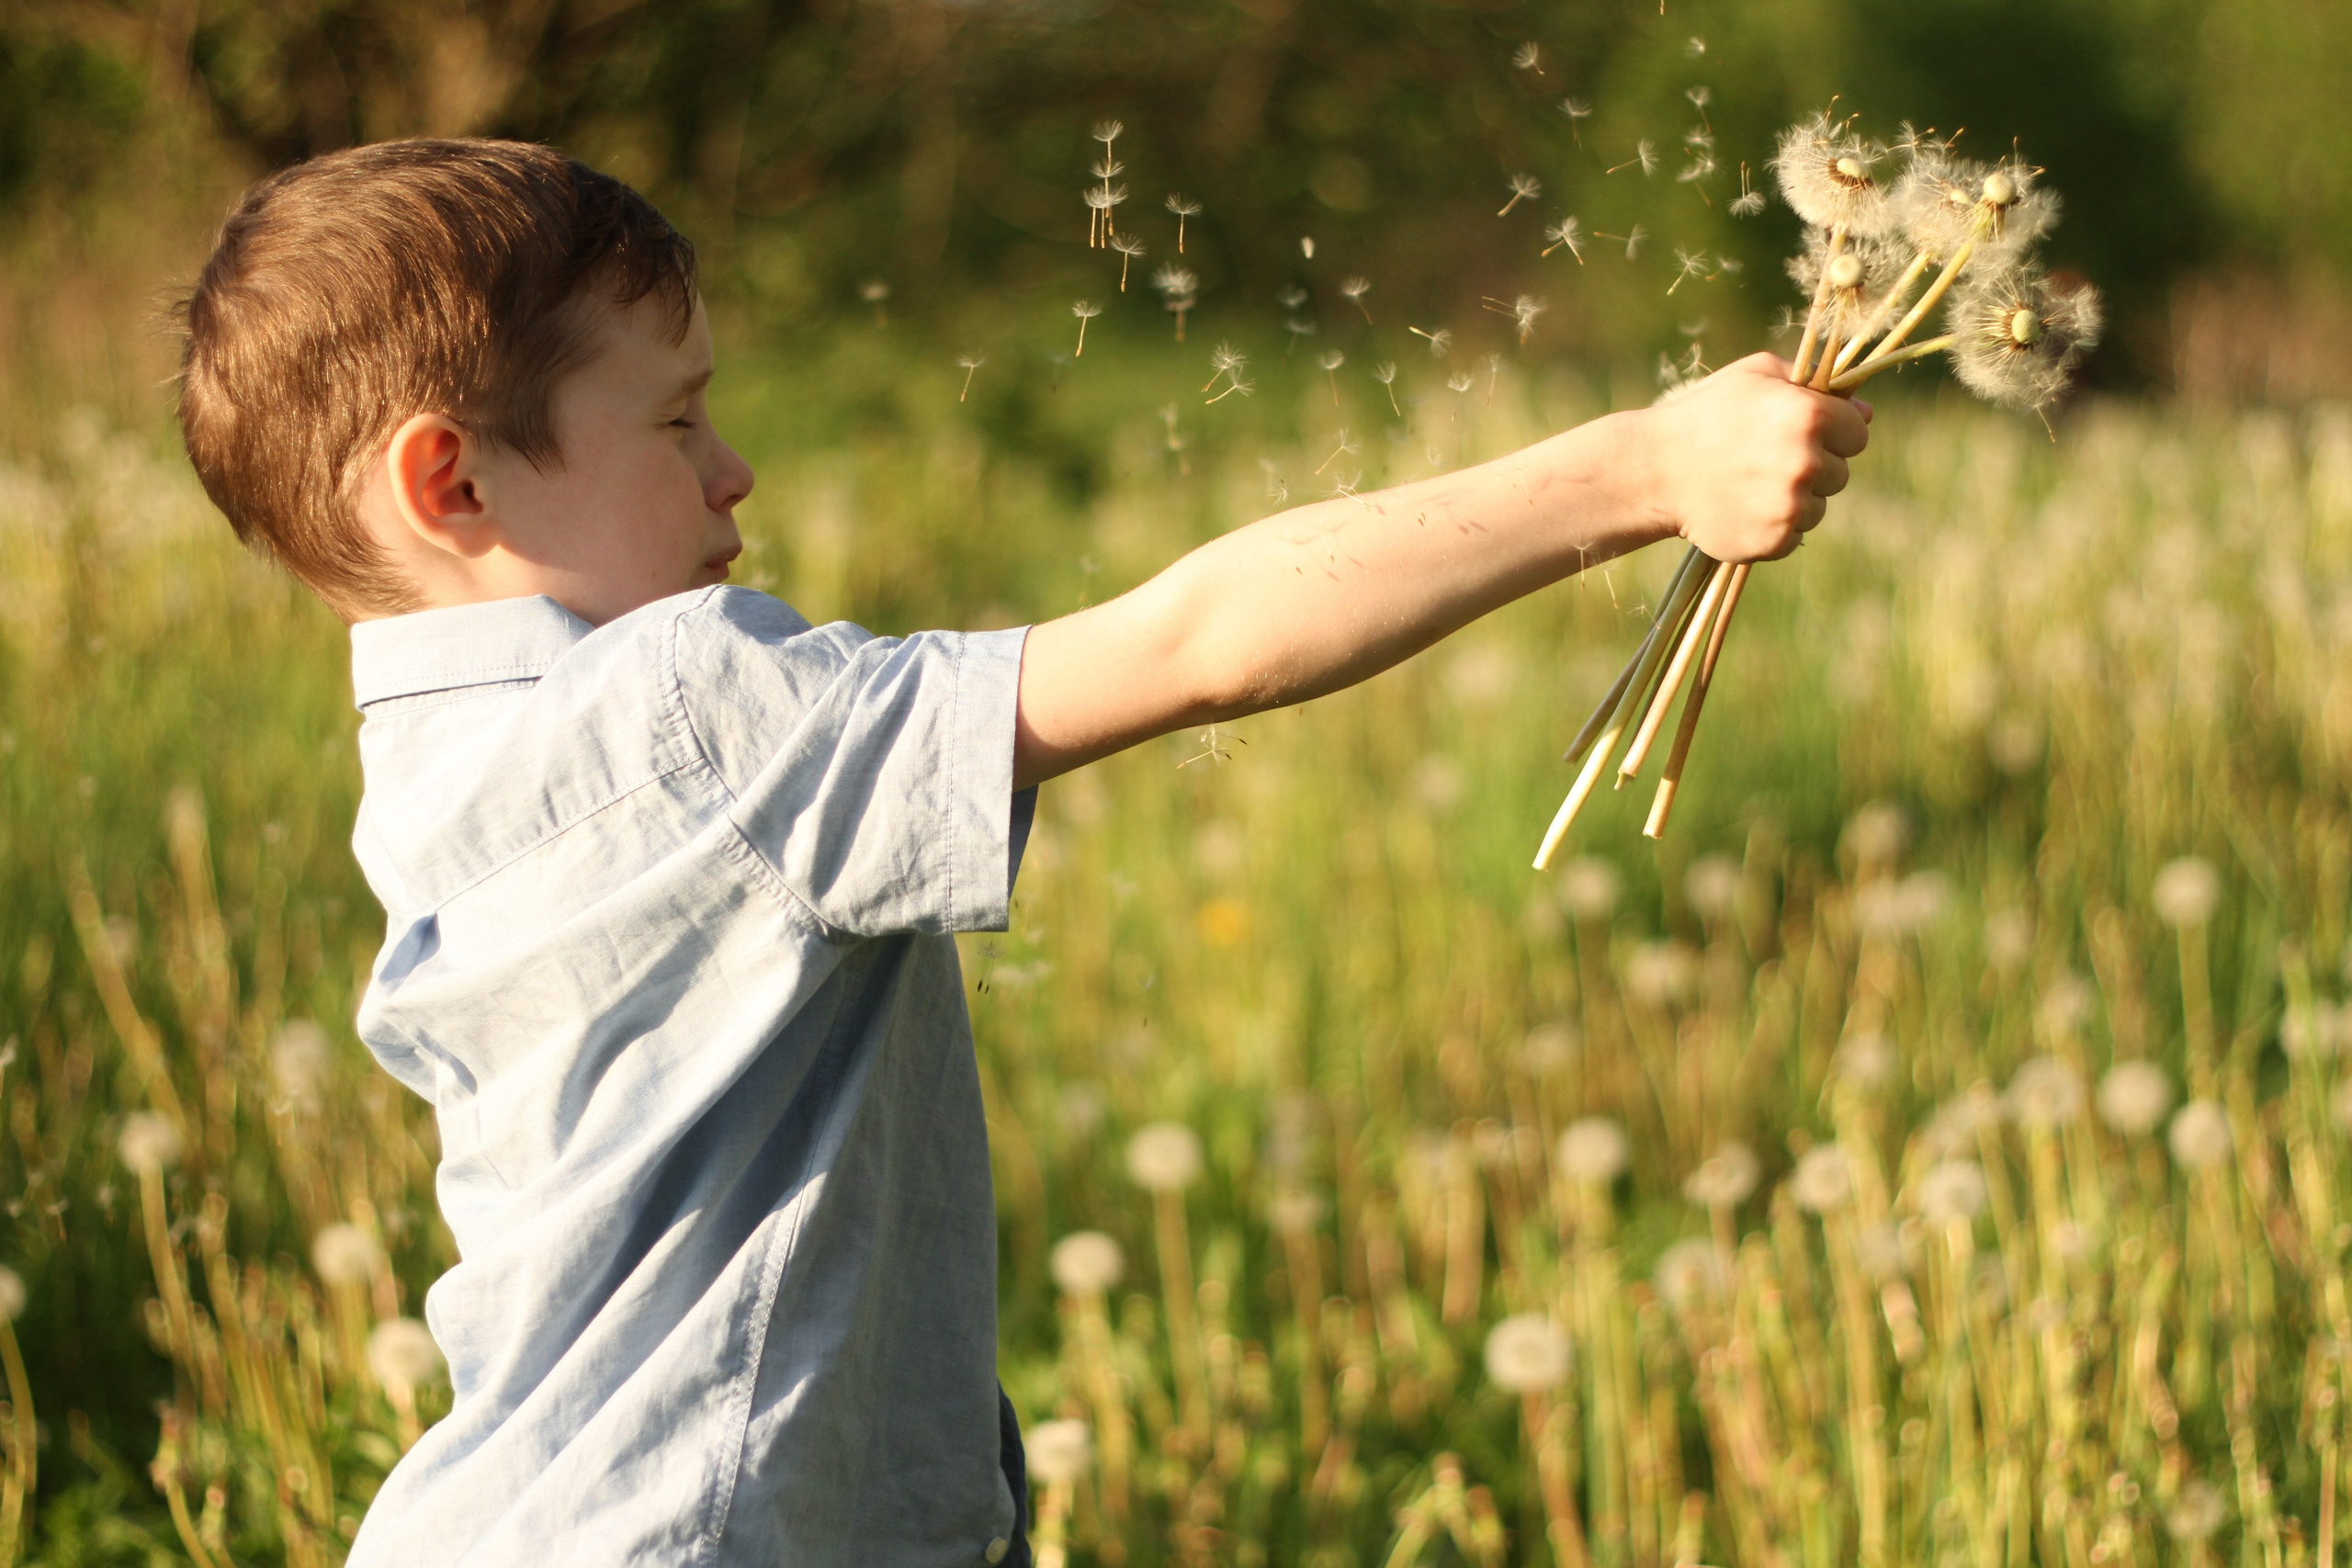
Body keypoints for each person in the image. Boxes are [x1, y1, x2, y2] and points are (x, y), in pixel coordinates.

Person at [175, 139, 1867, 1567]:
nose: (733, 468)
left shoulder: (432, 753)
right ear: (449, 480)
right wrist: (1643, 469)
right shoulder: (684, 713)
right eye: (678, 422)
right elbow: (1197, 642)